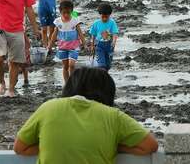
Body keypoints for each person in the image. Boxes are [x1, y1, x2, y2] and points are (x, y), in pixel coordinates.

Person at [14, 67, 159, 162]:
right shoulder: (113, 116)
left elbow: (20, 147)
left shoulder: (48, 108)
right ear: (107, 92)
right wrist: (116, 147)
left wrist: (53, 145)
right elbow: (150, 145)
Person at [47, 0, 86, 84]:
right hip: (62, 47)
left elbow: (80, 32)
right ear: (60, 12)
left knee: (71, 65)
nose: (66, 15)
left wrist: (84, 43)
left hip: (74, 46)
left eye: (68, 12)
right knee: (65, 66)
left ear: (72, 11)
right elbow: (54, 35)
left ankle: (72, 82)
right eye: (64, 13)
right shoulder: (58, 21)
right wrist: (50, 46)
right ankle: (67, 84)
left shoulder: (75, 20)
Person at [89, 3, 119, 71]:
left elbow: (115, 33)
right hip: (99, 46)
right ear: (100, 14)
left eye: (106, 17)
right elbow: (93, 35)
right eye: (103, 17)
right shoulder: (96, 23)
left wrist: (114, 42)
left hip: (109, 46)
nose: (105, 18)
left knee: (108, 65)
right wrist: (92, 45)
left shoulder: (112, 22)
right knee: (102, 65)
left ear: (109, 15)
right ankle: (101, 78)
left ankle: (104, 78)